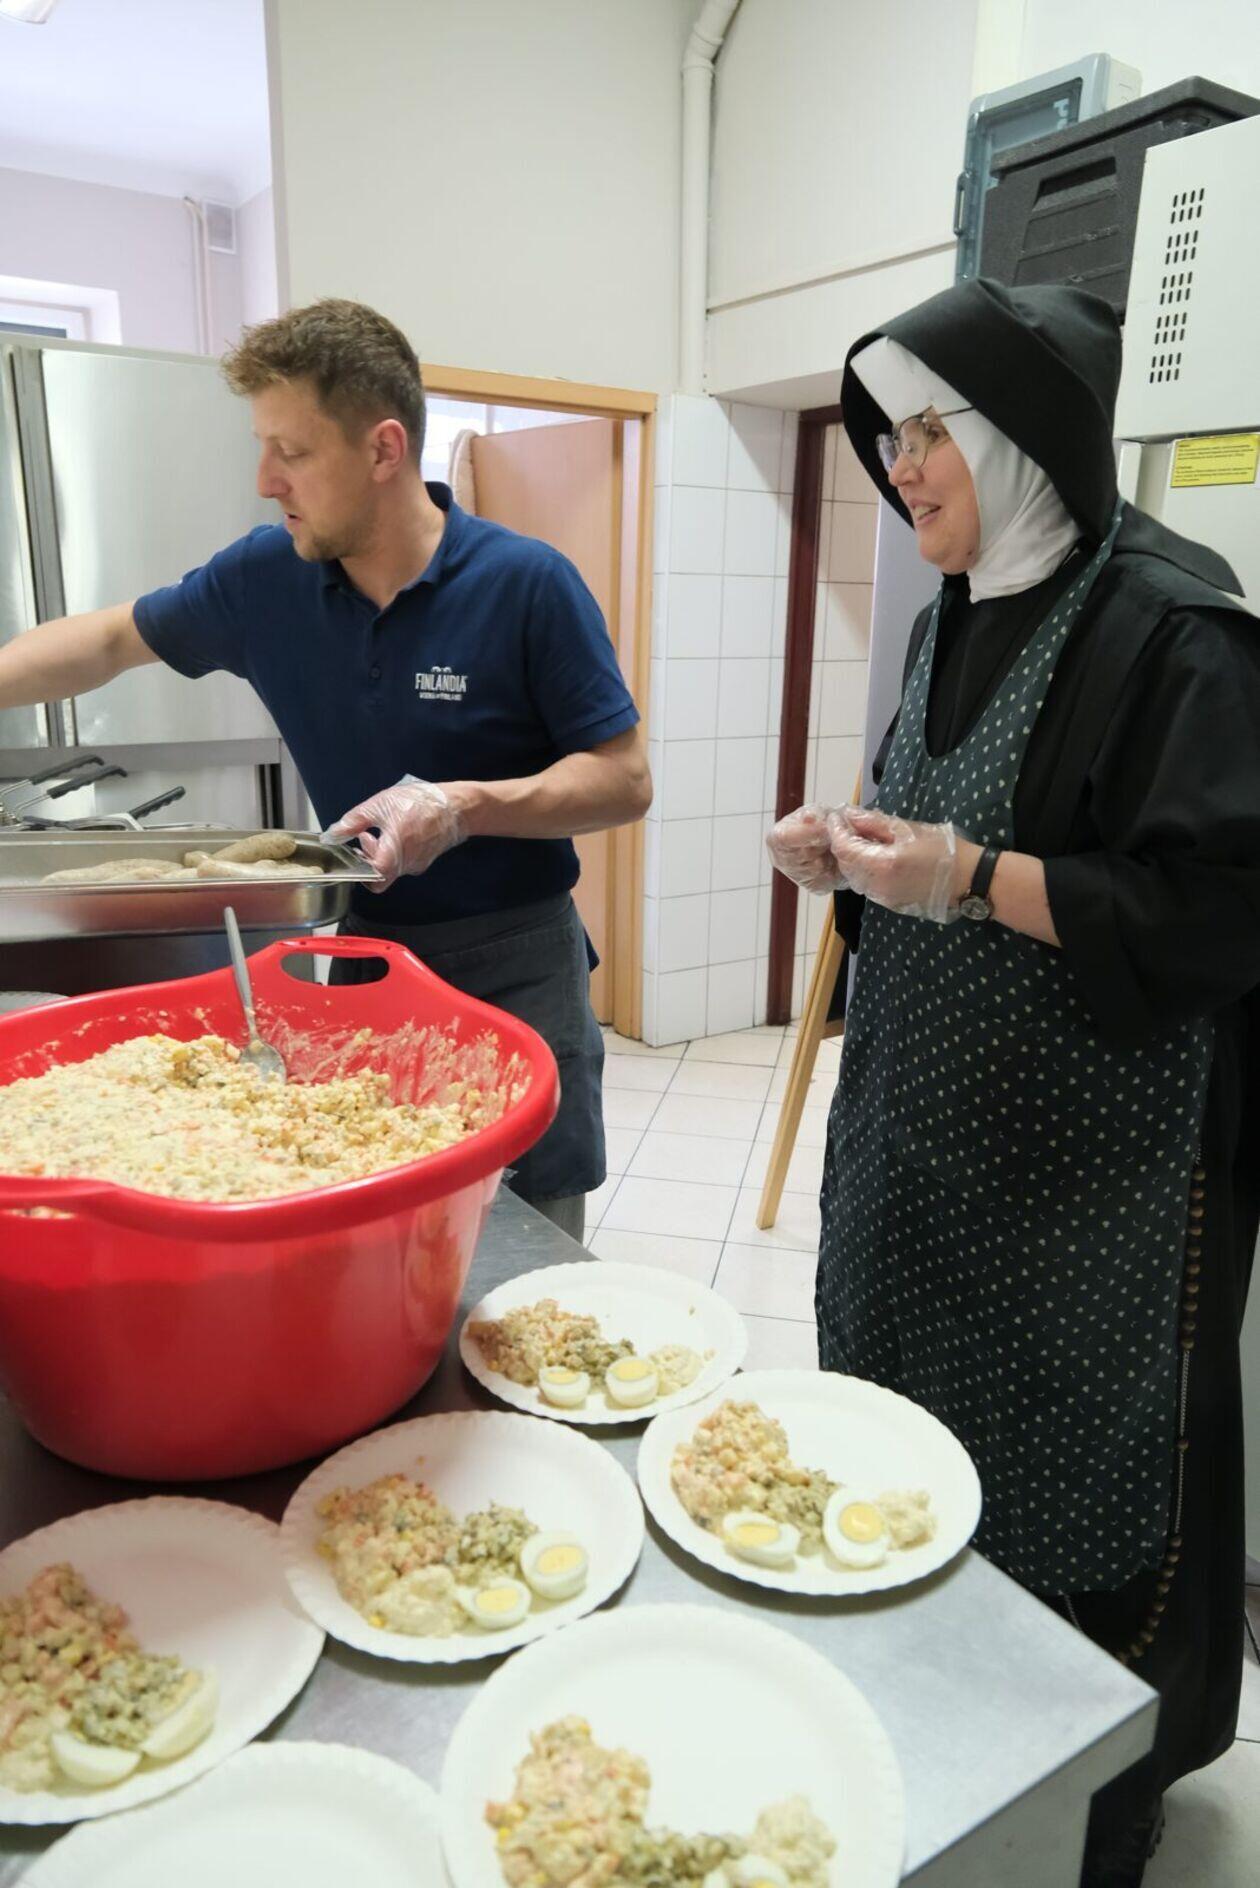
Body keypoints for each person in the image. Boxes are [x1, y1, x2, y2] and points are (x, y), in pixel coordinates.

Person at [768, 278, 1260, 1888]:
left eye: (929, 432)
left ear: (1023, 439)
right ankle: (930, 1757)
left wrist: (971, 878)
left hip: (1087, 1198)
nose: (899, 467)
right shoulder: (948, 613)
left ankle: (1085, 1816)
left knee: (1072, 1505)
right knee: (907, 1450)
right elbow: (927, 832)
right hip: (922, 1146)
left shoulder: (1176, 631)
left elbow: (1216, 918)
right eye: (889, 435)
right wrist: (851, 856)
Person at [0, 299, 651, 1239]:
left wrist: (464, 806)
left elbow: (623, 779)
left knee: (527, 1237)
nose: (266, 480)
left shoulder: (525, 583)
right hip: (367, 956)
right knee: (374, 1208)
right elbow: (107, 640)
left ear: (384, 449)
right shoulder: (266, 578)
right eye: (263, 448)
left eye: (292, 452)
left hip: (516, 962)